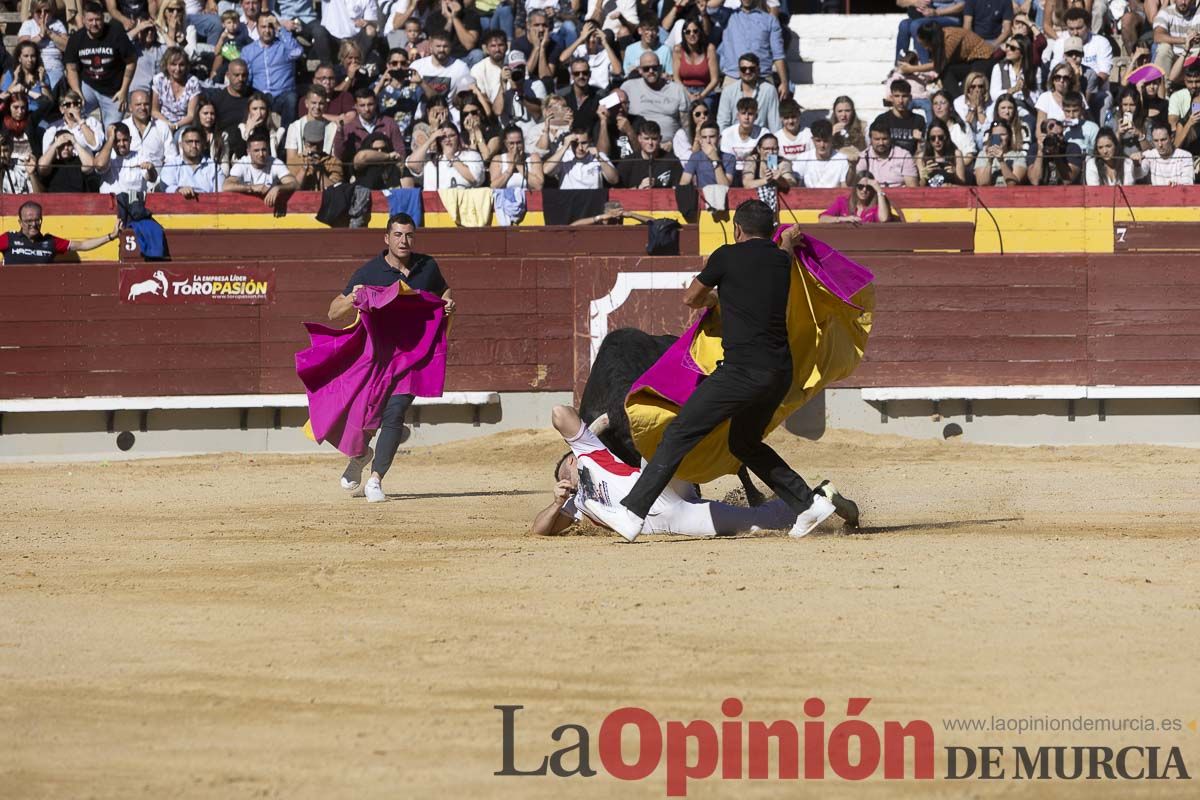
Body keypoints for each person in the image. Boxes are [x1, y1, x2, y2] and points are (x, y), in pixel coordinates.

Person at [582, 202, 837, 542]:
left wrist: (716, 299)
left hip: (740, 373)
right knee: (744, 442)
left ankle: (631, 513)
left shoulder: (726, 256)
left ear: (737, 230)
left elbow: (691, 298)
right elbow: (785, 253)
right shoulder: (780, 261)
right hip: (779, 374)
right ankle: (808, 504)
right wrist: (788, 241)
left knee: (679, 433)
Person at [326, 213, 455, 504]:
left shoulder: (427, 266)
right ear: (386, 238)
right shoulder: (369, 272)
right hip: (379, 359)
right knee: (366, 416)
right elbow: (333, 311)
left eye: (409, 235)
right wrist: (351, 299)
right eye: (397, 235)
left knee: (394, 412)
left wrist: (448, 303)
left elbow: (444, 291)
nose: (404, 241)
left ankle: (376, 479)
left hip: (413, 357)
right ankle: (360, 456)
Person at [531, 405, 799, 537]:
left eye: (566, 475)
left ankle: (714, 407)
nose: (567, 482)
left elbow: (559, 413)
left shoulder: (589, 452)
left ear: (570, 462)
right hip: (666, 521)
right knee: (756, 522)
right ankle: (814, 500)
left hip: (660, 485)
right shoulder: (576, 504)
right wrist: (557, 503)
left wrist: (581, 440)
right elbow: (538, 532)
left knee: (659, 440)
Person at [63, 2, 136, 127]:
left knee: (112, 130)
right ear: (84, 21)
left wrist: (124, 90)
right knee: (72, 115)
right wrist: (77, 92)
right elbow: (71, 68)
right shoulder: (76, 38)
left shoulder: (116, 33)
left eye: (97, 20)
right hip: (89, 87)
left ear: (103, 19)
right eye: (90, 20)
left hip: (113, 91)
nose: (94, 24)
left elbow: (131, 61)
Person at [1, 201, 119, 265]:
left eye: (37, 220)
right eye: (28, 221)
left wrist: (111, 236)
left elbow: (82, 245)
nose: (33, 224)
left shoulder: (50, 241)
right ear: (20, 222)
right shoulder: (9, 238)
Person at [240, 12, 303, 129]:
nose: (267, 30)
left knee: (291, 98)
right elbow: (246, 78)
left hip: (283, 94)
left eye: (270, 26)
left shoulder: (284, 46)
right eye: (263, 27)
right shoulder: (248, 51)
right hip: (261, 94)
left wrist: (280, 28)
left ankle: (286, 141)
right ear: (257, 28)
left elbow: (297, 52)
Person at [716, 0, 787, 96]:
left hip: (763, 78)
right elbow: (711, 8)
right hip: (734, 77)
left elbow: (778, 54)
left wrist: (784, 82)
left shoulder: (770, 20)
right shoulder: (728, 16)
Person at [623, 52, 690, 142]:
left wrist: (677, 143)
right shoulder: (628, 87)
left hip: (671, 146)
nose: (651, 71)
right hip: (637, 147)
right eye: (646, 69)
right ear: (640, 70)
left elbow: (686, 124)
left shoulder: (677, 89)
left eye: (654, 68)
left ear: (660, 68)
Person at [223, 130, 297, 210]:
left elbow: (294, 184)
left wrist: (278, 188)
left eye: (264, 150)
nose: (261, 154)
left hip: (270, 211)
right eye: (256, 150)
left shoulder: (275, 163)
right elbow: (226, 186)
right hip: (244, 209)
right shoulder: (242, 164)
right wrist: (251, 188)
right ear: (248, 152)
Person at [334, 86, 407, 163]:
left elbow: (401, 152)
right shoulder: (348, 128)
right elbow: (339, 157)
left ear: (376, 104)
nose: (367, 109)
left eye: (370, 104)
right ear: (356, 106)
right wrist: (339, 131)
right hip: (359, 171)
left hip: (386, 169)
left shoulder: (389, 124)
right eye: (362, 105)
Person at [716, 52, 780, 133]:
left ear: (758, 70)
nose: (747, 71)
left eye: (752, 69)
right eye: (743, 69)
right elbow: (722, 123)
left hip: (761, 141)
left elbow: (775, 123)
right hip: (734, 141)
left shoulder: (769, 90)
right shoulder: (728, 91)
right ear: (739, 71)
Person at [544, 124, 618, 188]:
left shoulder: (598, 155)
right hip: (568, 200)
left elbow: (614, 180)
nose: (580, 148)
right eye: (575, 144)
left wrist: (599, 158)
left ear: (590, 141)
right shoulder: (565, 156)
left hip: (592, 200)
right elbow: (546, 170)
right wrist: (565, 146)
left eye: (584, 143)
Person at [159, 124, 225, 195]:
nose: (194, 146)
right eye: (189, 142)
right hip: (178, 204)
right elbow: (166, 187)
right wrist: (178, 189)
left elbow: (220, 193)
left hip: (207, 204)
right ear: (181, 145)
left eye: (197, 142)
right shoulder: (171, 165)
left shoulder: (213, 166)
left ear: (202, 144)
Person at [18, 0, 69, 89]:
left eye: (47, 11)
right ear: (33, 12)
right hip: (33, 66)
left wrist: (49, 33)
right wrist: (41, 35)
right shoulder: (28, 24)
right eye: (38, 11)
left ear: (51, 12)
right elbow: (22, 47)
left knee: (54, 90)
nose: (43, 14)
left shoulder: (57, 24)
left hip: (54, 66)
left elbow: (67, 47)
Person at [617, 119, 682, 188]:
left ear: (660, 139)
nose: (650, 143)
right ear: (639, 139)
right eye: (646, 138)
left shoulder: (672, 161)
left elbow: (677, 191)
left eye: (654, 139)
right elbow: (618, 191)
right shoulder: (628, 162)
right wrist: (639, 188)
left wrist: (657, 187)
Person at [151, 46, 202, 133]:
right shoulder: (159, 79)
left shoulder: (193, 82)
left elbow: (191, 115)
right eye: (173, 64)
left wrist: (175, 126)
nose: (177, 69)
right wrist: (167, 124)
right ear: (166, 65)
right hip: (162, 122)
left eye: (181, 65)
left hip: (183, 125)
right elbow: (154, 111)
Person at [95, 121, 156, 193]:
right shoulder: (105, 155)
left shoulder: (140, 155)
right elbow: (100, 165)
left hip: (133, 198)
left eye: (125, 140)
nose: (121, 144)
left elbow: (152, 178)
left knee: (134, 200)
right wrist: (111, 138)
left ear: (130, 139)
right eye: (117, 141)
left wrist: (150, 169)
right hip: (111, 199)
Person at [672, 15, 719, 108]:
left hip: (705, 91)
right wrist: (688, 95)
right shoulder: (678, 49)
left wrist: (701, 96)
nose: (691, 34)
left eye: (695, 31)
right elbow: (676, 78)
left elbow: (715, 80)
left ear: (700, 32)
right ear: (683, 34)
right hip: (684, 90)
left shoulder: (709, 49)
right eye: (688, 32)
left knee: (705, 108)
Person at [855, 120, 918, 187]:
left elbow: (912, 187)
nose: (881, 143)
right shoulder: (864, 156)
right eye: (877, 139)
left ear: (890, 138)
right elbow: (856, 184)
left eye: (884, 139)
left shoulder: (904, 156)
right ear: (870, 139)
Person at [872, 78, 925, 155]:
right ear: (891, 97)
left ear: (910, 98)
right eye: (897, 96)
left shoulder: (918, 120)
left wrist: (921, 140)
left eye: (904, 96)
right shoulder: (882, 119)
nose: (900, 100)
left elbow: (921, 151)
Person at [792, 119, 850, 188]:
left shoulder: (842, 159)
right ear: (813, 140)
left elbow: (844, 188)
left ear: (831, 139)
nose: (822, 145)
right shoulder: (802, 158)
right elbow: (795, 186)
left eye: (825, 141)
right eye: (818, 141)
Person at [819, 172, 895, 223]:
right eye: (860, 186)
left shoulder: (876, 207)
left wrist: (879, 190)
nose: (864, 190)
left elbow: (884, 219)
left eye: (868, 187)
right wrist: (843, 219)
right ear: (855, 187)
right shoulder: (842, 202)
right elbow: (822, 219)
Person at [37, 127, 96, 192]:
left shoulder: (79, 161)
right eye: (62, 144)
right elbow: (42, 167)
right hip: (56, 200)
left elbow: (90, 165)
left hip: (78, 199)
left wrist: (74, 142)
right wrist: (55, 144)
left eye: (69, 144)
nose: (66, 148)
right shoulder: (51, 164)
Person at [679, 121, 735, 188]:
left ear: (719, 139)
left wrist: (715, 159)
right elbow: (683, 183)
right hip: (702, 197)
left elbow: (725, 187)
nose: (708, 141)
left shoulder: (729, 158)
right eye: (704, 137)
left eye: (712, 137)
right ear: (701, 140)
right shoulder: (696, 157)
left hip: (722, 197)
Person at [294, 119, 346, 189]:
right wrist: (304, 168)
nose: (314, 148)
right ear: (304, 141)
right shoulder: (295, 160)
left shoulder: (334, 162)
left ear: (323, 142)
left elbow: (334, 191)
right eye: (311, 144)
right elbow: (293, 188)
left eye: (318, 144)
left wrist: (318, 170)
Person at [973, 118, 1027, 185]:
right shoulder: (982, 155)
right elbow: (983, 184)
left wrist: (1001, 161)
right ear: (991, 136)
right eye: (996, 135)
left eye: (1003, 134)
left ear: (1009, 136)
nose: (999, 138)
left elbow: (1013, 184)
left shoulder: (1018, 155)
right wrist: (989, 162)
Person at [1139, 119, 1195, 184]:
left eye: (1163, 140)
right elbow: (1140, 174)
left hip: (1177, 193)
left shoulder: (1185, 156)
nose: (1160, 145)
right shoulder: (1150, 155)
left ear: (1171, 138)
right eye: (1156, 141)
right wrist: (1136, 163)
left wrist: (1177, 184)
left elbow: (1188, 183)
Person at [489, 123, 543, 187]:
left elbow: (539, 185)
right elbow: (493, 186)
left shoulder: (533, 158)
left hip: (529, 196)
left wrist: (518, 165)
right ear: (506, 144)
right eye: (511, 143)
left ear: (523, 142)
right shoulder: (498, 159)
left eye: (519, 143)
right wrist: (510, 167)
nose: (516, 147)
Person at [719, 95, 764, 172]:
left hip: (755, 172)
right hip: (732, 172)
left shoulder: (763, 134)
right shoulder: (727, 134)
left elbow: (770, 158)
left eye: (750, 114)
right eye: (743, 113)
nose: (746, 117)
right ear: (738, 116)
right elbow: (726, 161)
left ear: (756, 116)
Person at [916, 118, 966, 186]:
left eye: (941, 137)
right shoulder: (922, 157)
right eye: (933, 138)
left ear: (946, 137)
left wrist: (955, 175)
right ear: (929, 140)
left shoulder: (956, 154)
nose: (937, 141)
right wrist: (925, 176)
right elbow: (920, 187)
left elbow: (963, 184)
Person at [206, 58, 252, 132]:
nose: (240, 79)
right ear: (228, 75)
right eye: (236, 75)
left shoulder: (255, 98)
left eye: (244, 75)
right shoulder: (217, 100)